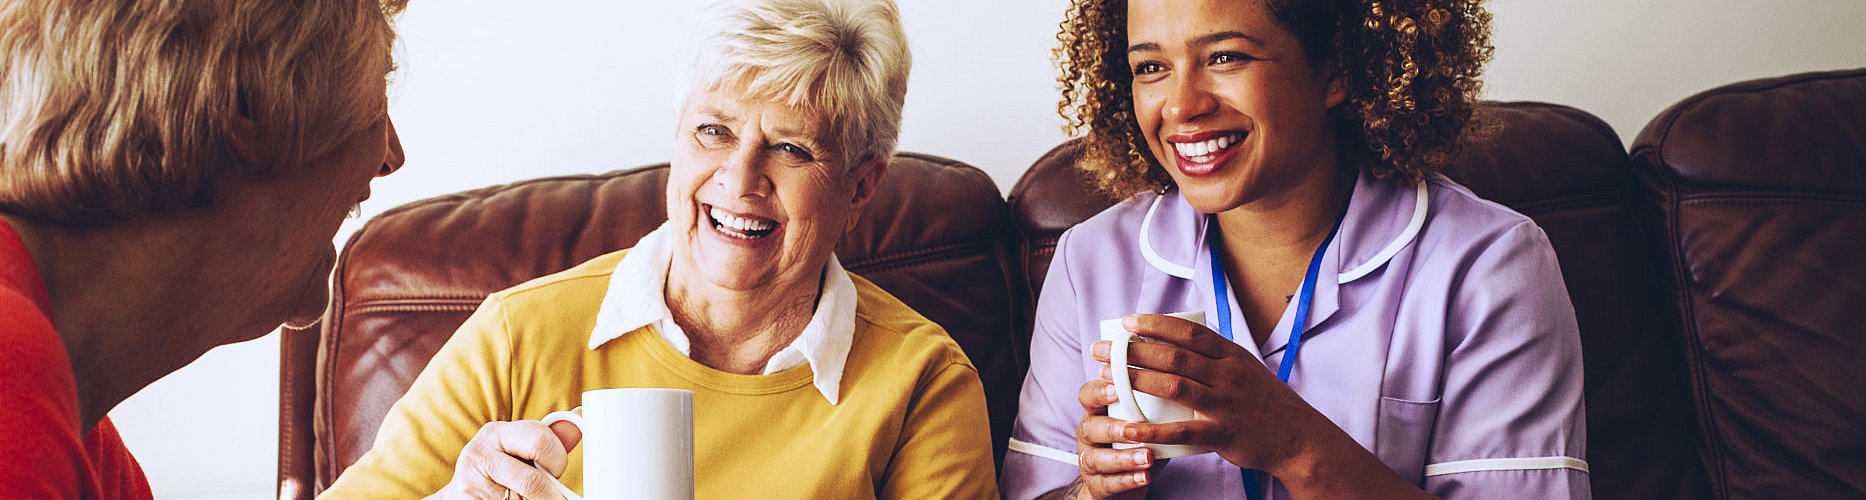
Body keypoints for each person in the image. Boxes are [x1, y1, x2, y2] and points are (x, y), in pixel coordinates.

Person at [318, 0, 998, 498]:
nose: (739, 180)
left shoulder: (923, 380)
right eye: (713, 131)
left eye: (791, 148)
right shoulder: (517, 333)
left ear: (860, 187)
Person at [1000, 0, 1589, 498]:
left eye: (1225, 56)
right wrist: (1092, 489)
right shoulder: (1090, 260)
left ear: (1335, 67)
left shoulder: (1490, 264)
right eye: (1150, 67)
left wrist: (1294, 443)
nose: (1180, 106)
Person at [0, 0, 409, 497]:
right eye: (373, 97)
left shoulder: (80, 435)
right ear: (250, 106)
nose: (391, 155)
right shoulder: (10, 383)